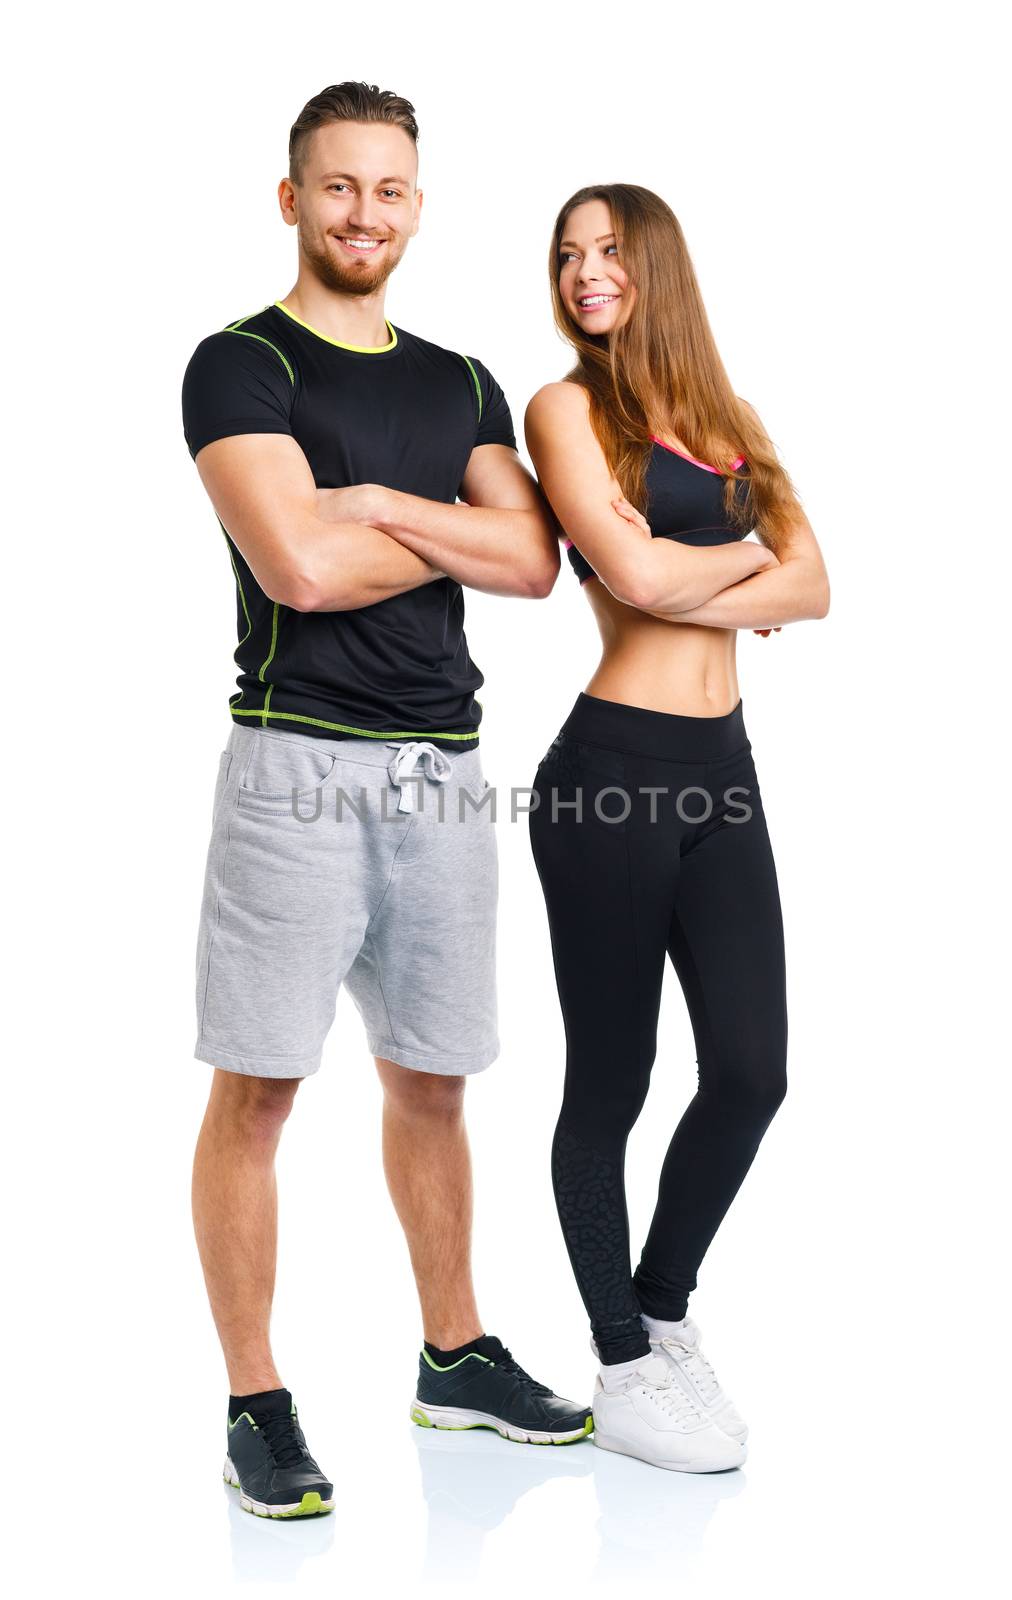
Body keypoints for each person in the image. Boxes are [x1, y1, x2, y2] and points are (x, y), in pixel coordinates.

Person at [183, 82, 592, 1521]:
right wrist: (442, 532)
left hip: (444, 775)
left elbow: (536, 562)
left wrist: (373, 509)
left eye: (393, 189)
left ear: (418, 204)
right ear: (293, 200)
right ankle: (256, 1402)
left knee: (432, 1079)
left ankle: (456, 1353)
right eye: (341, 187)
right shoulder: (239, 367)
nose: (368, 213)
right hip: (294, 766)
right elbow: (295, 568)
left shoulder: (467, 383)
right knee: (260, 1091)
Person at [524, 184, 829, 1473]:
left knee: (752, 1072)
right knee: (615, 1080)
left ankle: (660, 1307)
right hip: (610, 777)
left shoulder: (730, 420)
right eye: (569, 256)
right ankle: (620, 1360)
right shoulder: (563, 411)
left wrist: (721, 573)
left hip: (724, 776)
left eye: (610, 252)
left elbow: (817, 582)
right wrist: (737, 573)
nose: (588, 273)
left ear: (659, 266)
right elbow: (636, 579)